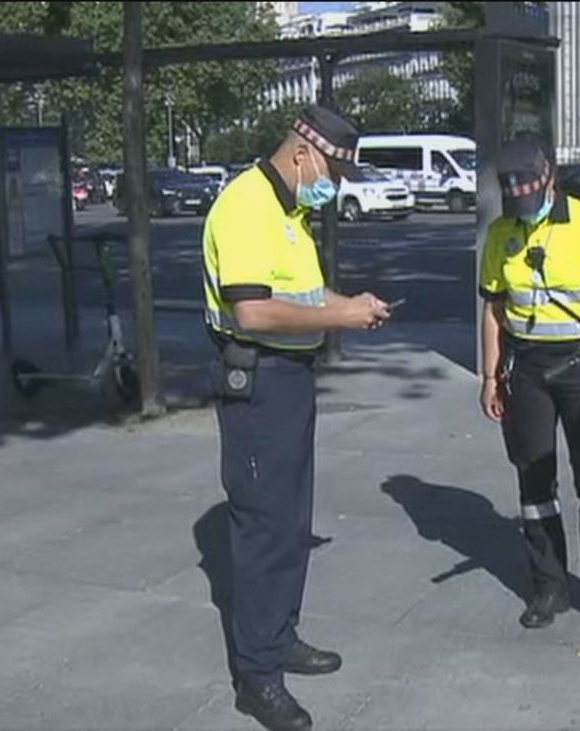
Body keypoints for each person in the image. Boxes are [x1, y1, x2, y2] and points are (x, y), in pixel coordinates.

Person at [201, 104, 390, 731]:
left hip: (291, 381)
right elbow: (253, 312)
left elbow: (302, 296)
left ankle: (279, 638)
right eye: (334, 168)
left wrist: (352, 304)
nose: (335, 183)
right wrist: (339, 318)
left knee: (291, 522)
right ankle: (257, 677)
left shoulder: (289, 211)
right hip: (258, 384)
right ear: (304, 152)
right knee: (262, 530)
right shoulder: (246, 205)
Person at [478, 136, 580, 631]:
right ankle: (549, 585)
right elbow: (494, 310)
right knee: (534, 480)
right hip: (528, 368)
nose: (523, 210)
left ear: (550, 177)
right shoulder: (503, 232)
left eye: (530, 195)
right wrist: (489, 375)